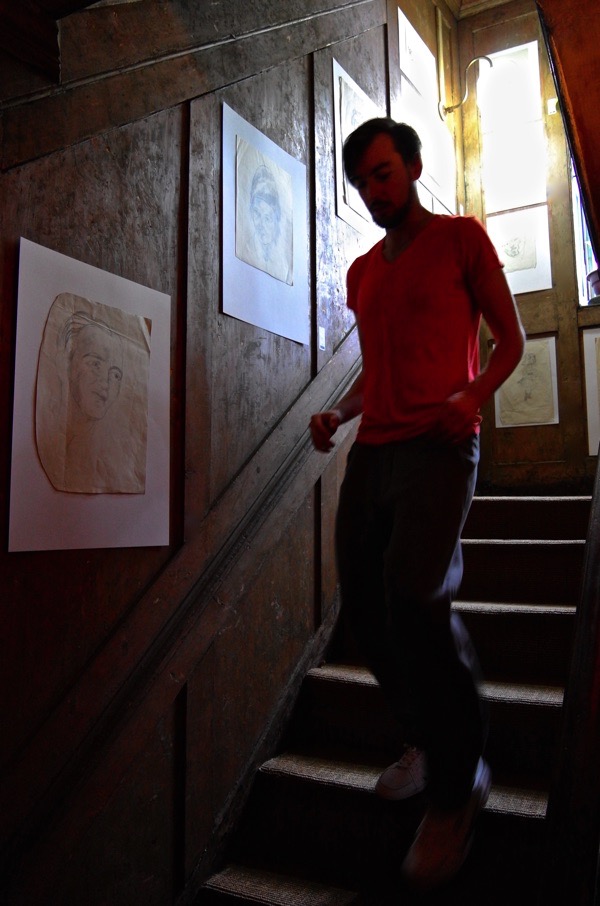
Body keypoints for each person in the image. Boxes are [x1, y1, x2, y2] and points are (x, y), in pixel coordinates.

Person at [310, 118, 525, 890]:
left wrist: (472, 394)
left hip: (441, 446)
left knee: (416, 598)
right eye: (362, 182)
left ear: (413, 166)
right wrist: (340, 411)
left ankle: (458, 786)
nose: (374, 191)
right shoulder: (363, 273)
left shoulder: (462, 239)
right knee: (366, 608)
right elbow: (378, 373)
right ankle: (425, 739)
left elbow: (511, 342)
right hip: (375, 453)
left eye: (384, 173)